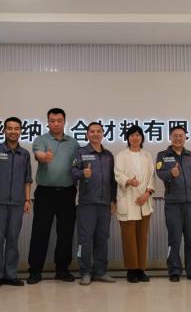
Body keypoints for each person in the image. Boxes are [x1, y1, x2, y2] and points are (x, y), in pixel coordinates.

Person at [27, 108, 80, 284]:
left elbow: (77, 166)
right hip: (45, 193)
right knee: (40, 232)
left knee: (66, 233)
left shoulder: (74, 143)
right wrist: (45, 157)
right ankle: (35, 271)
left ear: (65, 122)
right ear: (48, 122)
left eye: (59, 120)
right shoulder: (41, 140)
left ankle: (62, 270)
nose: (56, 123)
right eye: (52, 120)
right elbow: (39, 155)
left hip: (67, 193)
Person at [0, 117, 32, 289]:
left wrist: (27, 199)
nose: (13, 131)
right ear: (4, 130)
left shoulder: (24, 154)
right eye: (9, 128)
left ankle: (11, 274)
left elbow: (27, 179)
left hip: (17, 202)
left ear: (20, 131)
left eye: (16, 128)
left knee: (12, 239)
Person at [155, 126, 191, 282]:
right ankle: (174, 270)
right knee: (174, 239)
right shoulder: (163, 155)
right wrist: (171, 173)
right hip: (173, 204)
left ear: (185, 138)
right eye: (175, 135)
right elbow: (160, 173)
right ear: (170, 137)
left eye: (181, 135)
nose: (178, 138)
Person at [71, 122, 117, 285]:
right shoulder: (81, 152)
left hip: (104, 204)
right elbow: (72, 172)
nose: (95, 134)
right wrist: (82, 173)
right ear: (87, 134)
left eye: (98, 131)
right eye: (92, 131)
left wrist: (113, 200)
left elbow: (112, 180)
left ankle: (100, 271)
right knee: (85, 239)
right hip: (87, 203)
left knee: (102, 239)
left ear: (103, 134)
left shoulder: (108, 155)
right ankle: (85, 272)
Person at [114, 125, 155, 283]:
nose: (135, 138)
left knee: (142, 237)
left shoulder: (147, 155)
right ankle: (131, 270)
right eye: (132, 135)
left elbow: (152, 176)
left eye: (138, 135)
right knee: (129, 238)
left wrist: (147, 194)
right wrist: (129, 181)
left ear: (142, 137)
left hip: (144, 201)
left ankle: (141, 269)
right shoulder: (121, 155)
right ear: (128, 138)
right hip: (128, 200)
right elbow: (118, 174)